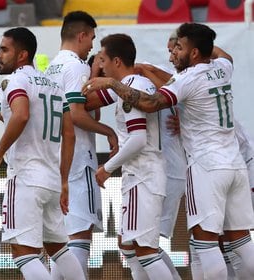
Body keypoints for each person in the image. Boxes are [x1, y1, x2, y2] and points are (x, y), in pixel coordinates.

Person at [83, 22, 254, 279]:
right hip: (234, 164)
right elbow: (223, 55)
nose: (173, 53)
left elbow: (151, 104)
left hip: (205, 167)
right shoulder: (222, 68)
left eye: (179, 47)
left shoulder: (186, 80)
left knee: (204, 247)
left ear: (194, 53)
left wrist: (111, 83)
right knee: (241, 242)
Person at [0, 27, 85, 280]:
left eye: (4, 49)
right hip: (51, 180)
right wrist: (63, 180)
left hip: (27, 177)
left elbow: (21, 114)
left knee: (24, 253)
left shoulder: (18, 80)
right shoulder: (53, 85)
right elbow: (70, 134)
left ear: (22, 55)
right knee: (58, 249)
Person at [90, 33, 174, 280]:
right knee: (130, 245)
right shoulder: (137, 84)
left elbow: (138, 139)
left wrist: (107, 167)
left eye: (103, 59)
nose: (100, 65)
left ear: (116, 61)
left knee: (145, 250)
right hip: (144, 174)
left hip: (143, 175)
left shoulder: (132, 88)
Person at [45, 11, 118, 279]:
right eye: (91, 39)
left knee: (61, 240)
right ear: (82, 35)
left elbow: (81, 110)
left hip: (56, 158)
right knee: (79, 235)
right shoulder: (75, 66)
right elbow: (76, 115)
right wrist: (108, 131)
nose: (91, 46)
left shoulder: (51, 67)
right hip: (77, 160)